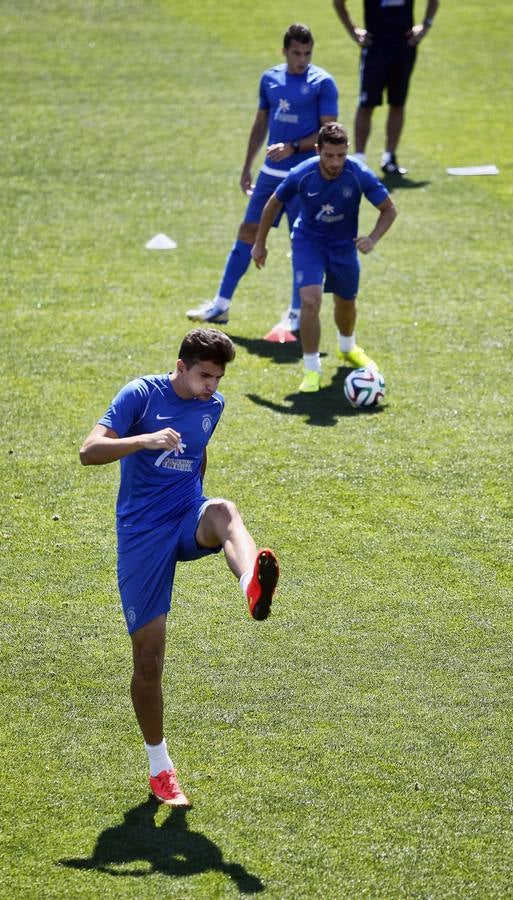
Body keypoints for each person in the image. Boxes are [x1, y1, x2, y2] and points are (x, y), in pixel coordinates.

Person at [79, 328, 279, 807]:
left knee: (224, 510)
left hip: (186, 515)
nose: (212, 386)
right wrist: (143, 440)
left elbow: (198, 451)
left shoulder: (214, 406)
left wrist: (194, 495)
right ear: (181, 365)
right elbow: (88, 451)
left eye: (219, 377)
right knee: (148, 661)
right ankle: (160, 768)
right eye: (205, 375)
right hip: (142, 533)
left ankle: (252, 581)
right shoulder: (140, 395)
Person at [186, 23, 338, 339]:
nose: (302, 60)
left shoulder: (323, 83)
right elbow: (260, 125)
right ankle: (221, 304)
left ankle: (295, 315)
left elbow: (329, 136)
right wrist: (246, 166)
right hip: (270, 174)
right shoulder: (270, 78)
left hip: (303, 175)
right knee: (247, 232)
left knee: (301, 241)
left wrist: (294, 147)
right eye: (296, 53)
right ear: (284, 51)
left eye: (307, 53)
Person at [251, 122, 397, 392]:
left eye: (341, 155)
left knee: (346, 304)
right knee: (310, 300)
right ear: (318, 150)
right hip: (309, 242)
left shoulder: (358, 173)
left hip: (343, 246)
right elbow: (274, 202)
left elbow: (389, 209)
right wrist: (260, 243)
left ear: (347, 150)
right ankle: (312, 370)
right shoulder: (302, 174)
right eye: (329, 155)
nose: (335, 162)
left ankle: (347, 347)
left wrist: (373, 238)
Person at [333, 0, 439, 175]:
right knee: (366, 104)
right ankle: (360, 159)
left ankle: (390, 157)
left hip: (404, 47)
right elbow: (338, 3)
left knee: (398, 102)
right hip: (375, 48)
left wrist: (426, 25)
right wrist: (353, 31)